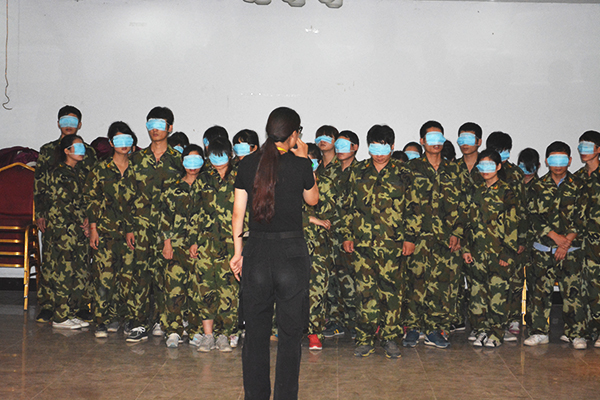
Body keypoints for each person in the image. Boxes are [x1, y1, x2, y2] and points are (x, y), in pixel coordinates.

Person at [230, 107, 318, 400]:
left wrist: (238, 253)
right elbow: (313, 200)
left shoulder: (246, 164)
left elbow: (238, 214)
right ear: (293, 134)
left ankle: (255, 395)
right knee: (290, 336)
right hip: (291, 256)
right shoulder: (301, 165)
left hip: (256, 253)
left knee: (255, 335)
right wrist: (305, 160)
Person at [340, 124, 410, 359]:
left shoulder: (404, 173)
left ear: (392, 147)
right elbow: (347, 206)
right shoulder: (357, 172)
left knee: (392, 294)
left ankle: (391, 339)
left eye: (384, 148)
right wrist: (347, 235)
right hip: (363, 245)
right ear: (368, 148)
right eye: (374, 148)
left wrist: (410, 238)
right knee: (365, 293)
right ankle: (365, 339)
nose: (379, 154)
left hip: (393, 244)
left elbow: (414, 208)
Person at [403, 120, 463, 349]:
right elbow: (403, 204)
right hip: (417, 238)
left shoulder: (454, 170)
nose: (436, 143)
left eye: (439, 138)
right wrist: (408, 236)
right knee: (415, 282)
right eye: (431, 138)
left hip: (445, 239)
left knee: (441, 285)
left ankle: (434, 330)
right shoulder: (410, 169)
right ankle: (413, 327)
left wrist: (457, 232)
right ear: (422, 141)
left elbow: (464, 204)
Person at [34, 105, 97, 324]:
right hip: (57, 216)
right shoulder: (47, 150)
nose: (69, 125)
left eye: (73, 121)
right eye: (64, 121)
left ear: (80, 124)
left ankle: (78, 306)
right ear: (58, 123)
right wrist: (40, 213)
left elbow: (93, 185)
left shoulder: (88, 152)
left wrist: (90, 218)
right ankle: (49, 306)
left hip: (81, 216)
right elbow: (40, 184)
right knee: (54, 261)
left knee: (80, 262)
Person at [125, 106, 184, 342]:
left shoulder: (179, 160)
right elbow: (129, 195)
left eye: (160, 125)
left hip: (169, 230)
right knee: (139, 275)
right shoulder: (136, 159)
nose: (155, 129)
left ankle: (164, 321)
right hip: (141, 227)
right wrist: (129, 227)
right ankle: (138, 322)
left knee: (167, 276)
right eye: (151, 124)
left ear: (170, 128)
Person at [524, 141, 588, 349]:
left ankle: (575, 334)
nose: (558, 165)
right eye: (554, 160)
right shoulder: (537, 186)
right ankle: (539, 331)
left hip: (571, 250)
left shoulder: (580, 185)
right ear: (546, 161)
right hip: (544, 249)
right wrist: (554, 237)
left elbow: (583, 217)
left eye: (562, 160)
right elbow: (533, 217)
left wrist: (565, 242)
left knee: (573, 292)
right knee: (540, 293)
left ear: (569, 161)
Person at [84, 122, 138, 338]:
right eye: (118, 140)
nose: (123, 144)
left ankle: (121, 318)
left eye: (127, 139)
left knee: (128, 278)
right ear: (111, 143)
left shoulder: (137, 168)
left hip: (131, 232)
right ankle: (101, 320)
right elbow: (92, 200)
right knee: (104, 276)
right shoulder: (100, 169)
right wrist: (93, 228)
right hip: (105, 230)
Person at [462, 150, 518, 347]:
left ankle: (496, 334)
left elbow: (513, 225)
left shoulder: (507, 192)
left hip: (498, 253)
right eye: (482, 166)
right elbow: (467, 223)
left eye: (490, 165)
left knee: (497, 295)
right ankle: (482, 331)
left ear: (499, 166)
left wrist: (507, 252)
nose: (485, 170)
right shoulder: (475, 191)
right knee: (477, 295)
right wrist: (466, 248)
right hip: (477, 253)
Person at [193, 135, 241, 353]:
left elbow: (246, 212)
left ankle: (225, 334)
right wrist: (193, 241)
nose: (217, 160)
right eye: (213, 156)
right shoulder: (203, 179)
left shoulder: (240, 177)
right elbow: (195, 211)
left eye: (221, 155)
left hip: (232, 244)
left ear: (230, 154)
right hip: (206, 244)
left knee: (229, 290)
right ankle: (208, 335)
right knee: (205, 288)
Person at [160, 144, 205, 348]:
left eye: (197, 160)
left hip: (199, 248)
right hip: (176, 247)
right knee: (174, 289)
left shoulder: (206, 187)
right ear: (182, 162)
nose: (192, 166)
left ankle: (196, 330)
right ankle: (173, 330)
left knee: (197, 290)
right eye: (188, 160)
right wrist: (167, 243)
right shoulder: (173, 188)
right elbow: (165, 217)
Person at [45, 135, 91, 329]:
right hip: (63, 230)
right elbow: (65, 203)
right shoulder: (58, 173)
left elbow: (87, 199)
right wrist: (84, 221)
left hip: (78, 230)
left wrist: (89, 220)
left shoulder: (80, 172)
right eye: (77, 147)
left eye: (82, 147)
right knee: (64, 271)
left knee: (78, 271)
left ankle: (71, 312)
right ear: (66, 151)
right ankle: (60, 317)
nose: (82, 151)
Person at [486, 131, 526, 340]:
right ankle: (489, 324)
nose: (501, 154)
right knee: (490, 283)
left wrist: (520, 239)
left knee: (514, 281)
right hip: (488, 238)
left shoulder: (515, 174)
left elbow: (522, 209)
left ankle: (513, 319)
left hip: (511, 237)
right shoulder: (482, 171)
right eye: (497, 150)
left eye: (504, 150)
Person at [322, 130, 360, 340]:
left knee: (351, 279)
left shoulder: (361, 172)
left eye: (345, 146)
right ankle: (335, 321)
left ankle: (354, 322)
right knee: (331, 279)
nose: (340, 150)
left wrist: (350, 234)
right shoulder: (329, 171)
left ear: (355, 147)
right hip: (329, 234)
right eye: (338, 146)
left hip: (352, 235)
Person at [454, 122, 485, 334]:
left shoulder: (488, 167)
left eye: (470, 139)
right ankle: (454, 321)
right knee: (454, 282)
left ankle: (479, 326)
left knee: (479, 284)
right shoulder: (451, 168)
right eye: (461, 139)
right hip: (456, 236)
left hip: (481, 236)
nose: (465, 144)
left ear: (479, 141)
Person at [304, 143, 332, 351]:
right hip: (294, 242)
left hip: (319, 246)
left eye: (312, 161)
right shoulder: (289, 181)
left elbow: (329, 214)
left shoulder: (327, 183)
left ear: (319, 163)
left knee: (317, 290)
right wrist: (310, 219)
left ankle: (314, 332)